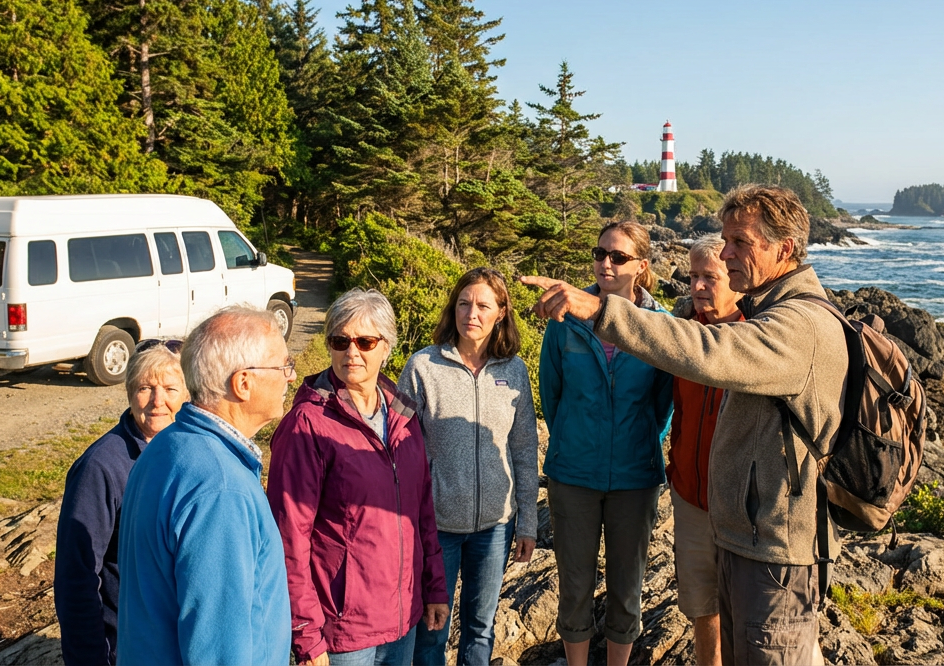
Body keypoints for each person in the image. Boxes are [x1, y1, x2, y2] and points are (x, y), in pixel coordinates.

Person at [522, 185, 847, 666]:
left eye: (740, 242)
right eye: (726, 241)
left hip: (774, 544)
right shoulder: (762, 310)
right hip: (736, 526)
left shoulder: (795, 322)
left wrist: (600, 310)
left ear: (784, 249)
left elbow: (709, 352)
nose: (728, 252)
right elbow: (555, 395)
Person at [268, 289, 449, 666]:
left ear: (386, 347)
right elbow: (288, 538)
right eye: (340, 340)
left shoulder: (404, 415)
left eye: (365, 341)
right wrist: (305, 634)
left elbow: (422, 514)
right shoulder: (308, 424)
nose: (352, 351)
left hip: (403, 618)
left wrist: (434, 588)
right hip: (343, 631)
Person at [116, 307, 295, 665]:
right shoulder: (220, 487)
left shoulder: (168, 445)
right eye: (282, 366)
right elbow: (220, 650)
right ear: (243, 383)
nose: (290, 377)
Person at [538, 221, 674, 666]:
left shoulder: (660, 325)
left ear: (642, 266)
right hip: (573, 473)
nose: (605, 263)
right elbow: (551, 395)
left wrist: (632, 444)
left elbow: (663, 407)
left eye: (617, 257)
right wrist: (578, 441)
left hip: (635, 477)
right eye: (599, 254)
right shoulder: (564, 320)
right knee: (574, 586)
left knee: (627, 586)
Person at [400, 268, 540, 666]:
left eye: (483, 305)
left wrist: (527, 521)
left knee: (481, 629)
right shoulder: (422, 366)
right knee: (431, 629)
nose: (471, 314)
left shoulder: (514, 371)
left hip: (496, 527)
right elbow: (398, 445)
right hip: (436, 526)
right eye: (464, 303)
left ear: (501, 313)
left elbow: (525, 449)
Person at [54, 339, 186, 665]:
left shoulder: (186, 451)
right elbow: (76, 577)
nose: (158, 401)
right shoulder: (101, 467)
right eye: (145, 388)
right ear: (129, 392)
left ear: (188, 394)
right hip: (125, 649)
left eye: (170, 388)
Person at [666, 236, 743, 666]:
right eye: (692, 276)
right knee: (702, 609)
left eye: (708, 277)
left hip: (740, 507)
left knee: (751, 616)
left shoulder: (757, 335)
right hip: (691, 497)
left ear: (733, 278)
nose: (696, 286)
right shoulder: (684, 333)